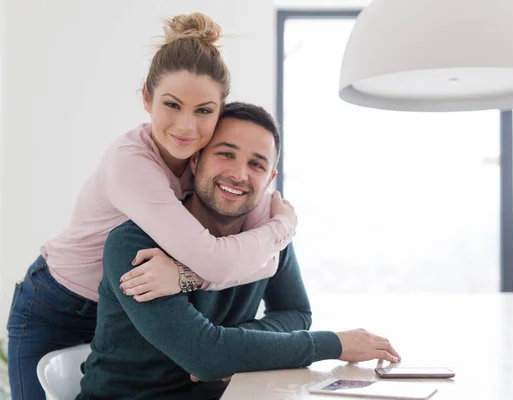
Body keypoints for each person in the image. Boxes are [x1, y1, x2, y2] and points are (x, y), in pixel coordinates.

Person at [6, 13, 297, 400]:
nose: (186, 126)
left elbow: (268, 262)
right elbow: (225, 260)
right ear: (146, 98)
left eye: (204, 111)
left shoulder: (209, 168)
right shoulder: (132, 165)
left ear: (220, 110)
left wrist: (188, 274)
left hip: (122, 305)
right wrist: (283, 228)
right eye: (172, 105)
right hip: (55, 306)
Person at [77, 102, 400, 400]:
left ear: (270, 178)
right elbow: (205, 357)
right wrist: (336, 344)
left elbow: (296, 313)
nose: (239, 174)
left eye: (256, 164)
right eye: (226, 154)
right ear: (196, 159)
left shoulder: (269, 239)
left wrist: (235, 340)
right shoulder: (133, 244)